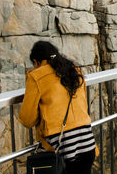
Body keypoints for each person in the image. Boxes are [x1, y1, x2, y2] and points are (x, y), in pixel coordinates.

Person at [18, 41, 96, 174]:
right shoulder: (74, 70)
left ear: (36, 62)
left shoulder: (36, 76)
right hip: (87, 142)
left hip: (62, 148)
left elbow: (27, 119)